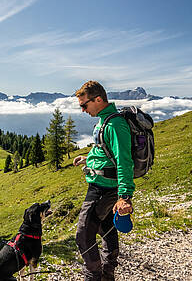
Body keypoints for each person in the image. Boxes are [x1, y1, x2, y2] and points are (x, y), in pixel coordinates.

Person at [72, 80, 134, 281]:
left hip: (103, 189)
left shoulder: (115, 124)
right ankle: (108, 275)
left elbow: (124, 161)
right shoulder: (104, 120)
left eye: (84, 105)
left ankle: (94, 276)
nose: (82, 110)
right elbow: (103, 148)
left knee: (83, 234)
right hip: (101, 185)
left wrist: (125, 196)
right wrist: (87, 158)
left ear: (98, 99)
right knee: (105, 227)